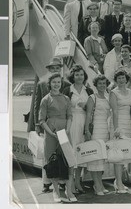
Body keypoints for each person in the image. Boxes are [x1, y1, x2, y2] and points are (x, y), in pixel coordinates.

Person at [34, 57, 70, 193]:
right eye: (53, 68)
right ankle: (46, 182)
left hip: (61, 124)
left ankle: (61, 181)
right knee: (47, 153)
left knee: (61, 151)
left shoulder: (65, 84)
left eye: (57, 68)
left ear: (60, 70)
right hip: (47, 124)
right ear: (49, 69)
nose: (55, 70)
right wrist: (37, 124)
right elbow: (37, 104)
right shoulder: (42, 83)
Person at [39, 73, 76, 202]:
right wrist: (50, 133)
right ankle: (56, 191)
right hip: (51, 133)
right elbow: (41, 120)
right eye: (54, 82)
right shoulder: (45, 99)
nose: (56, 84)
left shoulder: (66, 98)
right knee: (52, 161)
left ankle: (69, 190)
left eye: (58, 82)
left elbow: (70, 116)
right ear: (50, 84)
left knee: (69, 159)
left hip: (64, 132)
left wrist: (68, 129)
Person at [62, 65, 93, 194]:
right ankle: (70, 183)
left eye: (81, 74)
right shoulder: (67, 89)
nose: (79, 77)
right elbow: (62, 107)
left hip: (84, 122)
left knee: (82, 151)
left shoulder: (89, 90)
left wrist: (86, 106)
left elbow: (93, 108)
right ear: (73, 77)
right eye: (77, 75)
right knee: (72, 151)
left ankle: (78, 182)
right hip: (72, 122)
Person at [84, 75, 111, 195]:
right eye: (100, 83)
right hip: (95, 129)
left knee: (102, 158)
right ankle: (97, 185)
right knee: (95, 158)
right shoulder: (92, 97)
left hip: (105, 129)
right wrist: (87, 131)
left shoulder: (108, 97)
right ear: (96, 85)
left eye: (104, 83)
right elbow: (88, 115)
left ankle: (99, 183)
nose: (102, 86)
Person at [109, 70, 131, 193]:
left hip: (128, 123)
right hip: (118, 124)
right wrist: (116, 128)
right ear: (116, 80)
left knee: (125, 153)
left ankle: (120, 181)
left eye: (123, 78)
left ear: (126, 79)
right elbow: (114, 111)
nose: (121, 80)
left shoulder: (130, 91)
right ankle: (118, 182)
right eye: (118, 78)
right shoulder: (113, 93)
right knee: (117, 154)